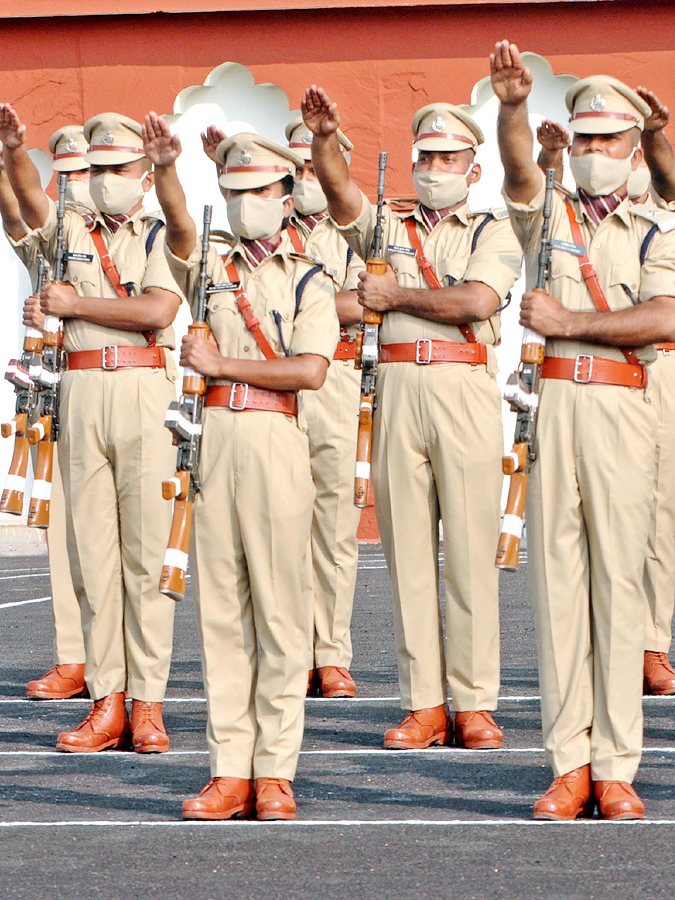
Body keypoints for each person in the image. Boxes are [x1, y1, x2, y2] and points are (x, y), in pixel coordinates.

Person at [304, 85, 522, 752]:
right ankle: (423, 702)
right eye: (424, 156)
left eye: (448, 157)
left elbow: (478, 297)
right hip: (396, 388)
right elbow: (342, 201)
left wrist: (397, 294)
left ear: (472, 168)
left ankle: (476, 702)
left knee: (468, 559)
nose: (433, 167)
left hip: (463, 386)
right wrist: (322, 142)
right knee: (406, 558)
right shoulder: (388, 223)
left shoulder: (495, 228)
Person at [491, 42, 675, 820]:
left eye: (608, 138)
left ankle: (617, 767)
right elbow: (519, 174)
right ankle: (569, 764)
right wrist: (509, 110)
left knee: (618, 588)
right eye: (585, 137)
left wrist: (572, 321)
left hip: (622, 408)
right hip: (556, 411)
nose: (595, 151)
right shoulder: (550, 213)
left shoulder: (656, 224)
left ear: (634, 144)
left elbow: (665, 316)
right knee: (558, 589)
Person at [145, 116, 338, 820]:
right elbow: (176, 225)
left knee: (282, 613)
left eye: (256, 189)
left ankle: (276, 770)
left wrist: (223, 362)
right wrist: (167, 169)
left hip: (276, 433)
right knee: (221, 613)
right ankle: (230, 766)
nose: (242, 203)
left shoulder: (310, 278)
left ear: (286, 195)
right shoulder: (211, 267)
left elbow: (311, 370)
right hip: (216, 437)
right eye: (231, 191)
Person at [0, 104, 182, 754]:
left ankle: (148, 702)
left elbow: (159, 308)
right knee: (94, 556)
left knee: (146, 557)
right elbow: (28, 200)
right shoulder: (68, 228)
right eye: (95, 168)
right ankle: (107, 699)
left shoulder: (164, 235)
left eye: (118, 168)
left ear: (146, 174)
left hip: (141, 388)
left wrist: (76, 304)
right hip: (79, 388)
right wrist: (19, 152)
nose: (105, 179)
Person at [0, 125, 87, 700]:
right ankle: (74, 656)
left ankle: (129, 673)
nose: (72, 188)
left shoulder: (146, 238)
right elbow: (15, 221)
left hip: (119, 390)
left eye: (83, 175)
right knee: (62, 529)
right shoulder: (52, 244)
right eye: (62, 176)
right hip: (57, 393)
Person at [283, 115, 366, 699]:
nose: (304, 178)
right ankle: (290, 649)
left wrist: (295, 303)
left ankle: (331, 652)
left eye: (314, 167)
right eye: (296, 168)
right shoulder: (260, 230)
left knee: (334, 526)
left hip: (335, 376)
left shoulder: (357, 230)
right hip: (274, 378)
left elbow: (364, 302)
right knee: (278, 524)